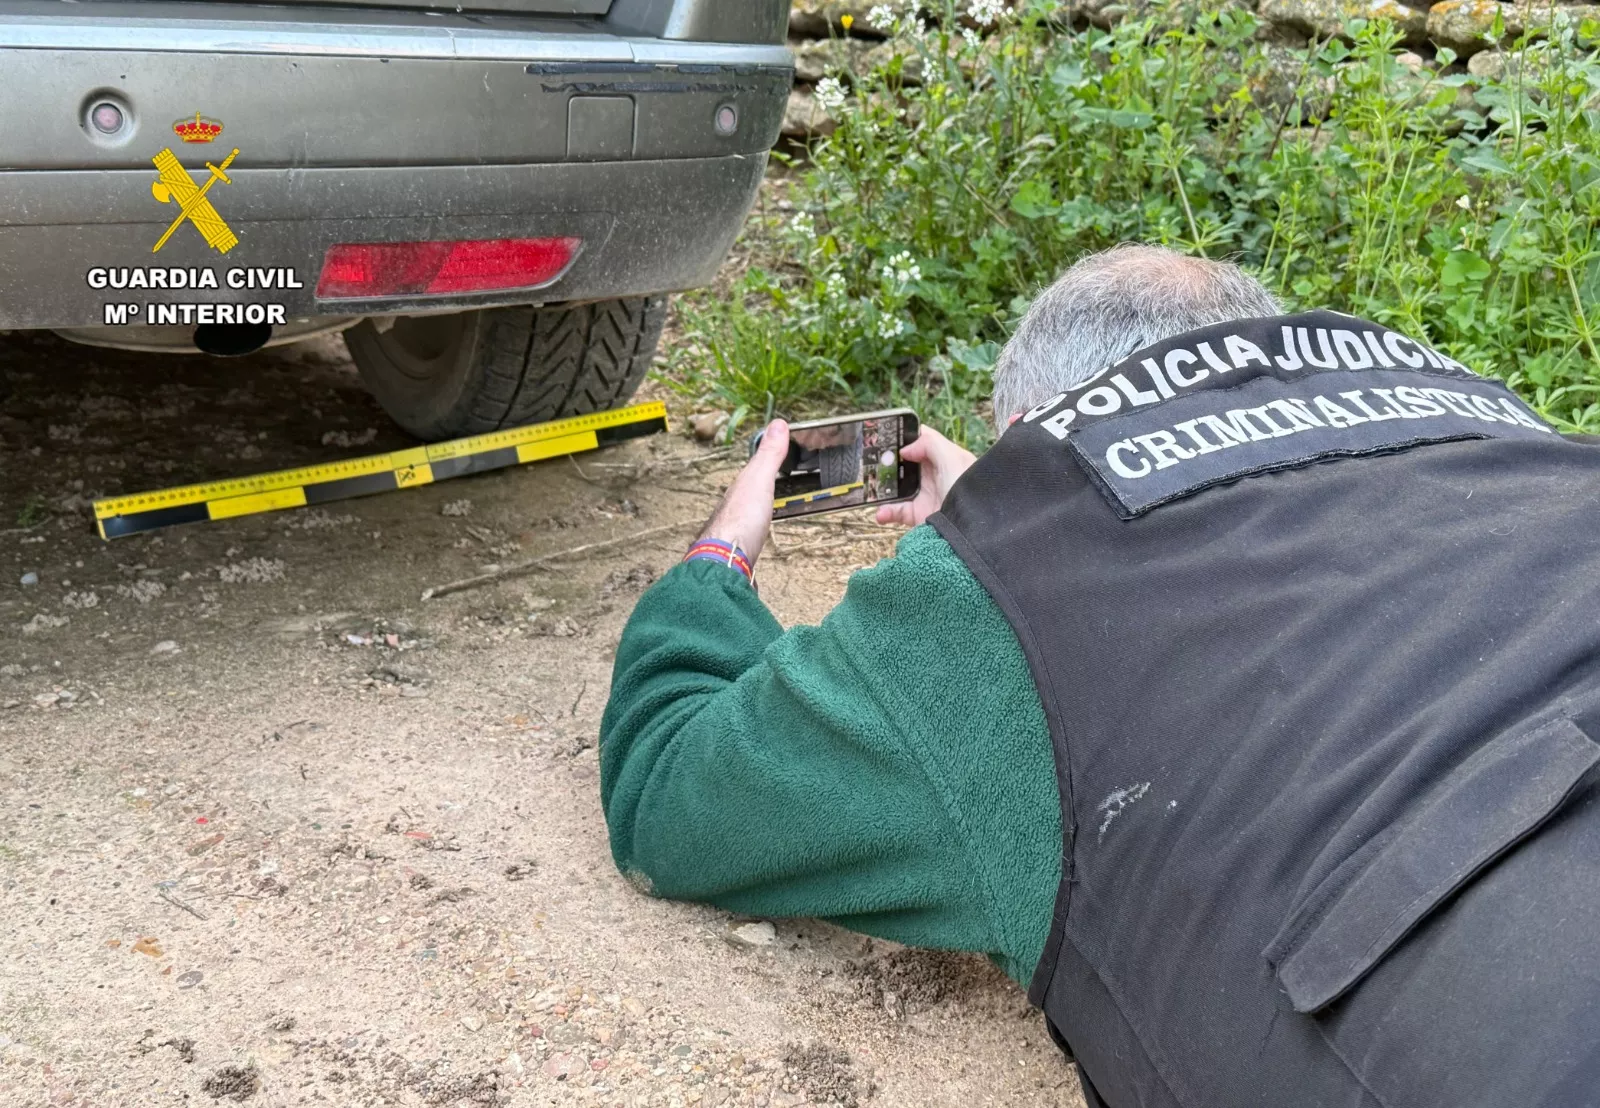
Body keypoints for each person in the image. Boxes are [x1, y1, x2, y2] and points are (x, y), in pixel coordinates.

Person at [599, 244, 1600, 1106]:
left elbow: (668, 786)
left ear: (1036, 416)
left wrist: (722, 553)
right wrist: (1014, 496)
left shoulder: (995, 606)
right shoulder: (1513, 437)